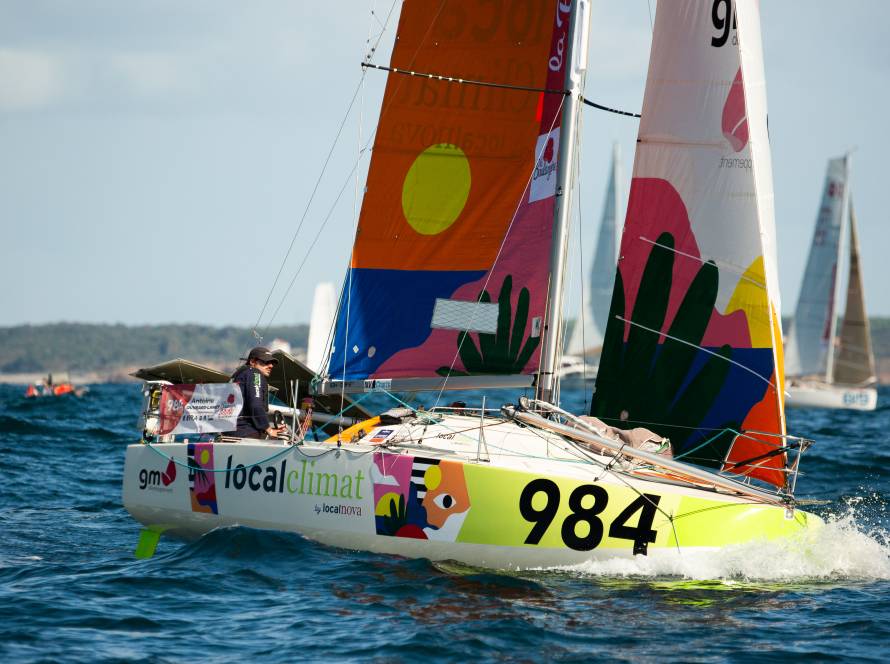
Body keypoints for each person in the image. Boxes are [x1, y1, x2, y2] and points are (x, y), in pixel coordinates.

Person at [231, 346, 287, 439]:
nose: (271, 366)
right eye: (266, 362)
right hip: (245, 433)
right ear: (252, 362)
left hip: (233, 431)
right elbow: (255, 405)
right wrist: (269, 429)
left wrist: (268, 428)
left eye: (271, 363)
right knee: (285, 439)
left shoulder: (239, 374)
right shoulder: (255, 374)